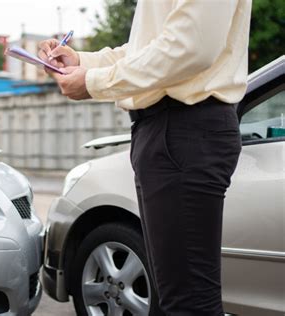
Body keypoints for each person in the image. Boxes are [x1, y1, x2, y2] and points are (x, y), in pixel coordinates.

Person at [39, 0, 252, 315]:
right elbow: (149, 47)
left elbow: (189, 47)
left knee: (188, 302)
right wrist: (82, 60)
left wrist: (94, 81)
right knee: (176, 295)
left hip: (183, 126)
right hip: (168, 129)